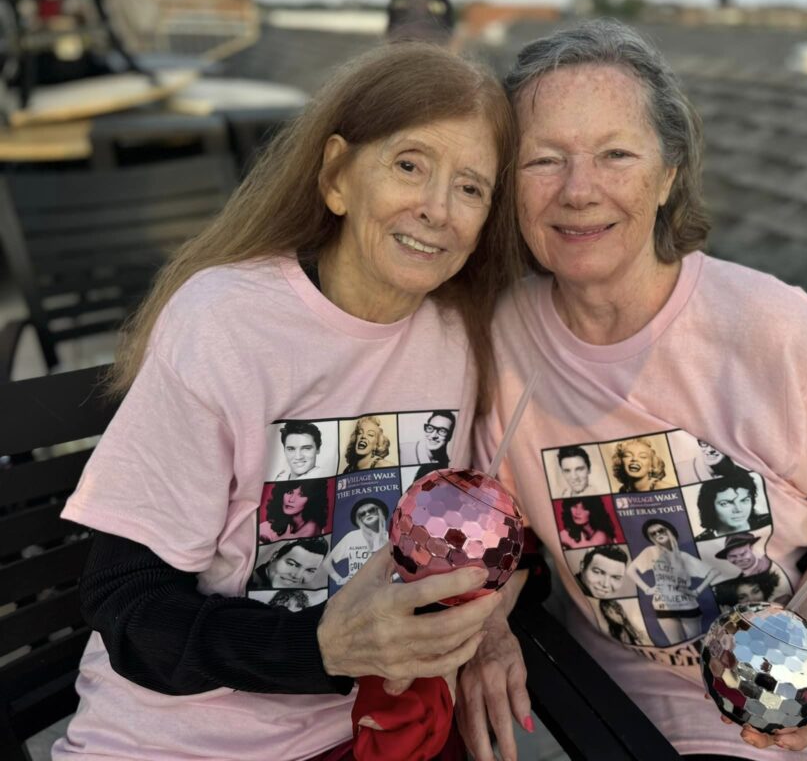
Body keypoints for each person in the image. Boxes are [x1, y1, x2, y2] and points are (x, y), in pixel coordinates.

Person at [459, 20, 807, 761]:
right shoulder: (501, 338)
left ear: (667, 174)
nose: (578, 190)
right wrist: (489, 631)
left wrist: (806, 637)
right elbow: (515, 527)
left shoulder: (775, 329)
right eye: (543, 159)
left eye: (616, 154)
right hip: (659, 701)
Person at [54, 42, 520, 761]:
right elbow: (128, 605)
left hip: (370, 733)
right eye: (409, 165)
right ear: (336, 175)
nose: (435, 209)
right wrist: (322, 647)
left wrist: (491, 623)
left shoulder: (465, 332)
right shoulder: (226, 321)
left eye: (470, 187)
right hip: (182, 742)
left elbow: (508, 529)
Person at [625, 519, 718, 642]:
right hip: (663, 605)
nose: (658, 534)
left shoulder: (683, 556)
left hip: (687, 605)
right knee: (677, 645)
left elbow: (714, 572)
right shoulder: (651, 552)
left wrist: (697, 591)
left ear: (669, 531)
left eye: (661, 530)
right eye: (653, 533)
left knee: (695, 643)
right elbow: (630, 570)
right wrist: (647, 589)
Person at [693, 469, 771, 540]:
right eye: (725, 503)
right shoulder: (700, 540)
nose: (738, 509)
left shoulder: (770, 521)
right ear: (710, 507)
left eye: (744, 500)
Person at [328, 497, 390, 586]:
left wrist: (389, 579)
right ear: (359, 519)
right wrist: (339, 580)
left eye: (371, 510)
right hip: (354, 592)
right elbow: (327, 563)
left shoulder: (390, 537)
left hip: (381, 592)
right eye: (362, 514)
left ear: (379, 512)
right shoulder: (352, 537)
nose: (367, 514)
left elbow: (400, 569)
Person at [259, 480, 329, 543]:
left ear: (313, 499)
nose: (291, 500)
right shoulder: (267, 527)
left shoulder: (312, 529)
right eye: (289, 492)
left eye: (302, 495)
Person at [249, 538, 329, 590]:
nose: (297, 576)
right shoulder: (249, 584)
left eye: (310, 570)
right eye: (292, 564)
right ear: (274, 556)